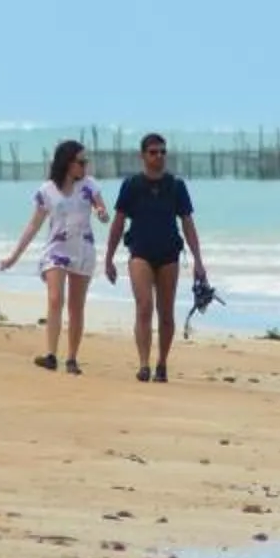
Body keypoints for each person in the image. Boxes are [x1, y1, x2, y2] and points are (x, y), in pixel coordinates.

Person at [104, 132, 207, 383]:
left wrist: (198, 261)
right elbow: (118, 223)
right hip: (140, 252)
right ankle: (143, 364)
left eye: (162, 151)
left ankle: (162, 363)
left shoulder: (176, 186)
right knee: (144, 307)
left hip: (169, 254)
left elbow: (188, 224)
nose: (158, 156)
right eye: (153, 152)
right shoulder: (132, 186)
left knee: (166, 312)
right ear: (143, 155)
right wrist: (108, 258)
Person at [0, 139, 108, 372]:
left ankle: (71, 358)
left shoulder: (89, 185)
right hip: (56, 251)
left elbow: (101, 206)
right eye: (81, 162)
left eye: (86, 161)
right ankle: (50, 354)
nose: (85, 166)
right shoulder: (47, 190)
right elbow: (33, 225)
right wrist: (14, 257)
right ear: (68, 163)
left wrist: (101, 212)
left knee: (76, 306)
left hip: (82, 250)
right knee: (55, 298)